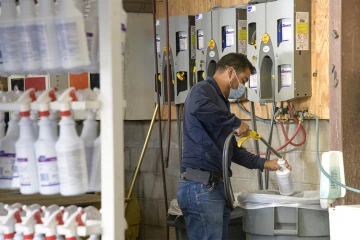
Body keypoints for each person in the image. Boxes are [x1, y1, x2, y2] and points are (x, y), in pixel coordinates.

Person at [177, 53, 292, 240]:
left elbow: (230, 150)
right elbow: (198, 106)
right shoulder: (203, 90)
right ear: (231, 72)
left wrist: (266, 164)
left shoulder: (221, 102)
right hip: (200, 187)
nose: (242, 86)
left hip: (214, 188)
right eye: (243, 80)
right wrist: (234, 121)